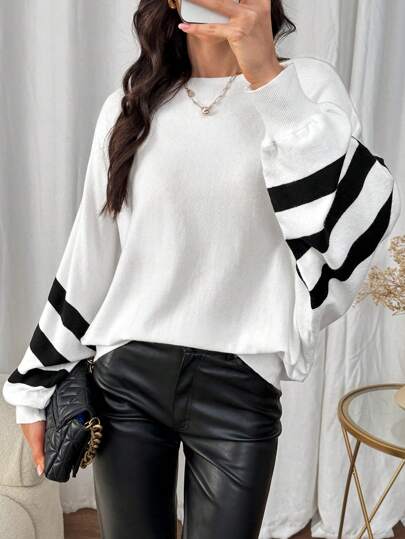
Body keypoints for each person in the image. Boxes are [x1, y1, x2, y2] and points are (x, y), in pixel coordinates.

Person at [2, 0, 401, 537]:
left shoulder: (306, 87)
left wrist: (266, 75)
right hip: (128, 378)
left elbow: (348, 225)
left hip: (240, 384)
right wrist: (34, 382)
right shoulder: (130, 107)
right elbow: (90, 257)